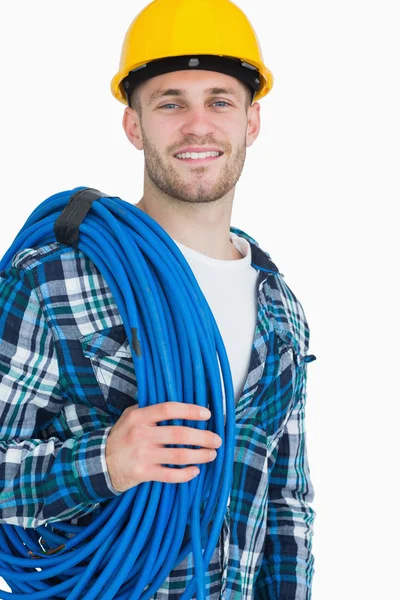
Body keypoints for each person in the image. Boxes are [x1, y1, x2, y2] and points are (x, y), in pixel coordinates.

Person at [0, 0, 316, 597]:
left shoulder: (281, 307)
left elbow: (286, 505)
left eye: (219, 101)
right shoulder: (54, 280)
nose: (198, 125)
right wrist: (105, 464)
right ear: (134, 124)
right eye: (171, 102)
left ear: (251, 122)